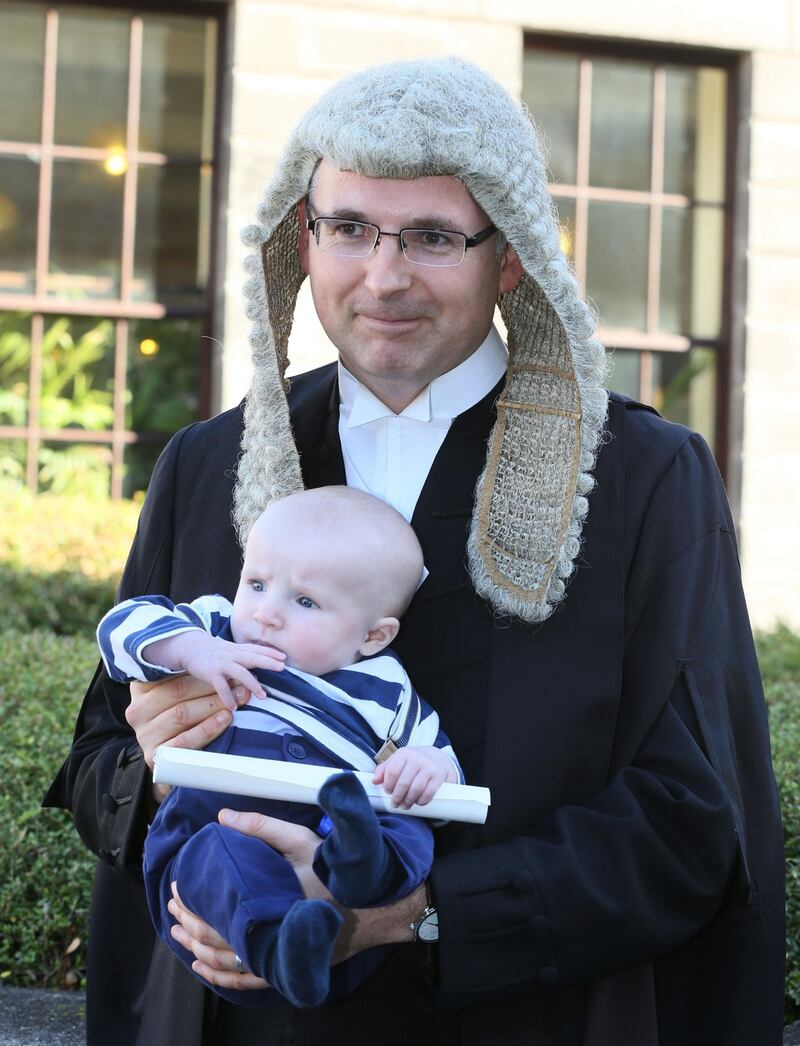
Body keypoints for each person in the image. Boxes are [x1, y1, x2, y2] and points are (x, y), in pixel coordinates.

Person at [45, 57, 784, 1046]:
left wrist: (409, 913)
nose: (383, 277)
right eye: (348, 227)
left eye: (433, 237)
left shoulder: (645, 480)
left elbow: (690, 821)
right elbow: (97, 764)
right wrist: (160, 761)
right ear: (302, 240)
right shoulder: (209, 463)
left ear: (509, 258)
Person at [95, 486, 461, 1009]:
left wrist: (426, 765)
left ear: (373, 637)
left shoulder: (387, 688)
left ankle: (360, 864)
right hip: (221, 823)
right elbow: (121, 625)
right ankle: (282, 944)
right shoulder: (219, 631)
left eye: (305, 601)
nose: (266, 613)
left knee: (406, 821)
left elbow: (446, 771)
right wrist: (190, 648)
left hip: (343, 855)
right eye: (257, 583)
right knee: (215, 854)